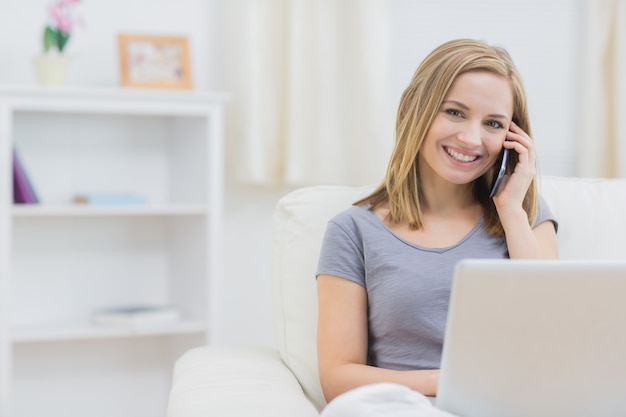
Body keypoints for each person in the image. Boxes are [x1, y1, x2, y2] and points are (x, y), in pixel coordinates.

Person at [315, 38, 559, 416]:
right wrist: (448, 380)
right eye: (455, 113)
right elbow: (337, 378)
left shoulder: (524, 216)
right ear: (416, 108)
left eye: (493, 123)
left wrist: (512, 211)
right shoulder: (353, 230)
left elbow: (554, 334)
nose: (471, 139)